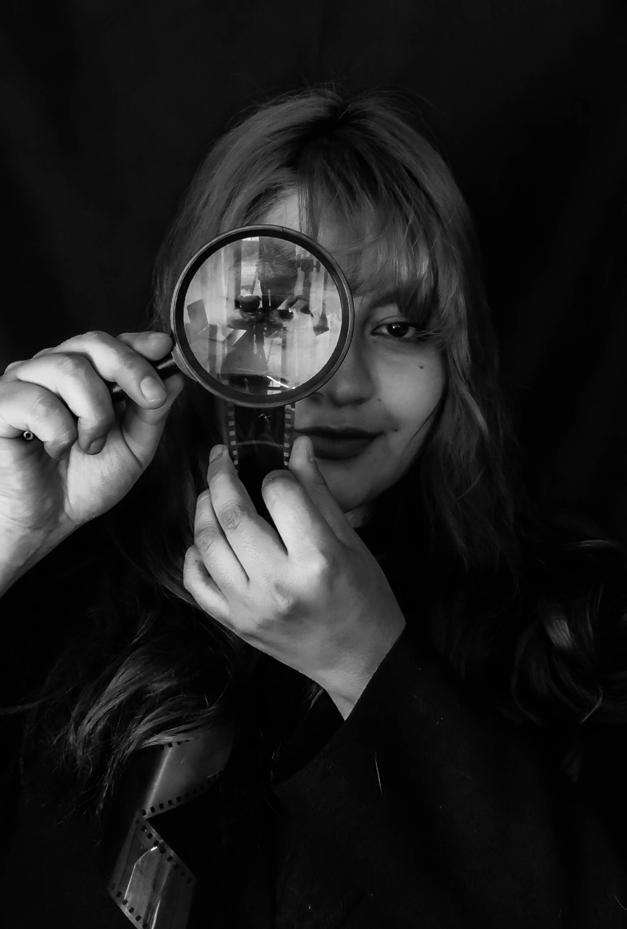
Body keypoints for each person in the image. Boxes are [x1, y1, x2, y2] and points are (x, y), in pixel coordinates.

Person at [0, 88, 625, 929]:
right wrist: (8, 538)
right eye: (273, 311)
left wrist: (367, 663)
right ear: (195, 328)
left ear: (458, 362)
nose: (340, 379)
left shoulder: (571, 632)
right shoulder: (53, 591)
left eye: (400, 328)